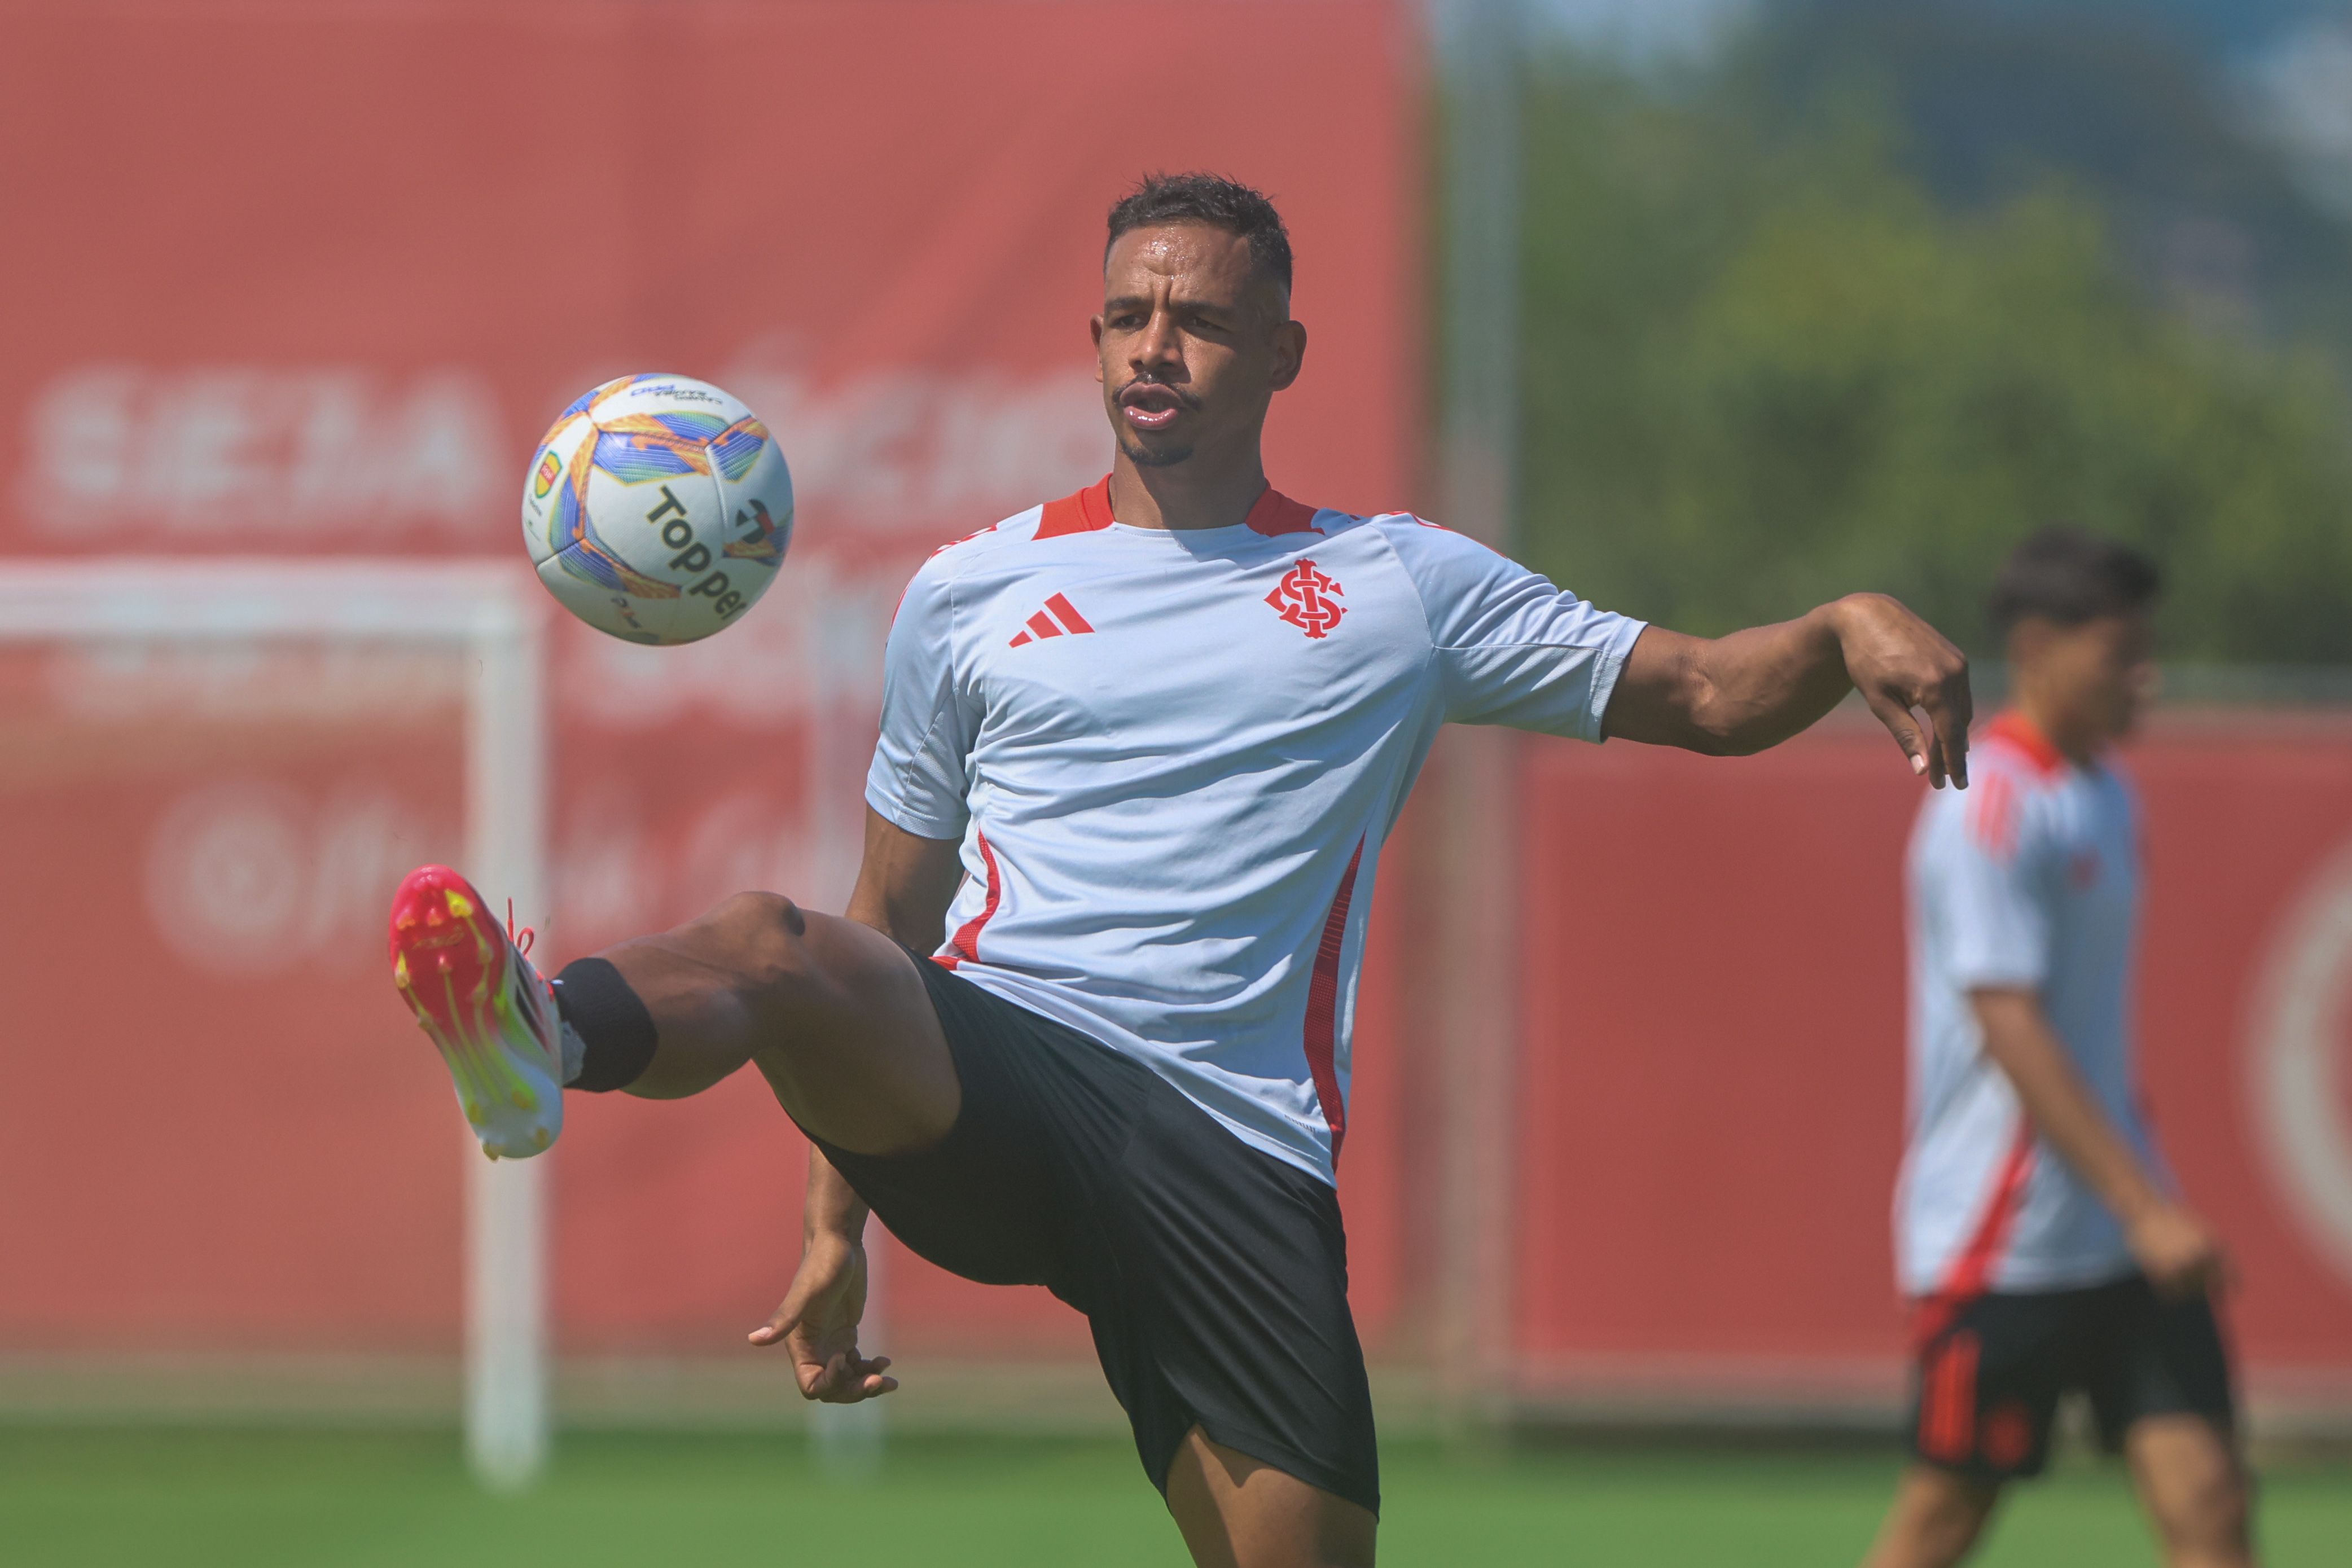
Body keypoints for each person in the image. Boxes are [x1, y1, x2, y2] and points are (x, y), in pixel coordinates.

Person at [391, 172, 1969, 1568]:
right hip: (1006, 1071)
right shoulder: (969, 593)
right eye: (1131, 315)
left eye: (1203, 321)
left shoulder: (1397, 585)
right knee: (770, 937)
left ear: (1280, 355)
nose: (1159, 345)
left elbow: (1695, 691)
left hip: (1232, 1146)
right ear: (1092, 341)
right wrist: (836, 1222)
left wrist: (1838, 632)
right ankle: (546, 1035)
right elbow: (890, 921)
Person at [1861, 530, 2253, 1568]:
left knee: (2211, 1504)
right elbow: (2009, 1023)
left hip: (2119, 1245)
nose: (2145, 676)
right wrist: (2149, 1205)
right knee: (1943, 1524)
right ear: (2036, 646)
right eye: (2121, 653)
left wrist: (2136, 1208)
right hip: (2004, 1244)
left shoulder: (2108, 793)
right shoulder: (1985, 802)